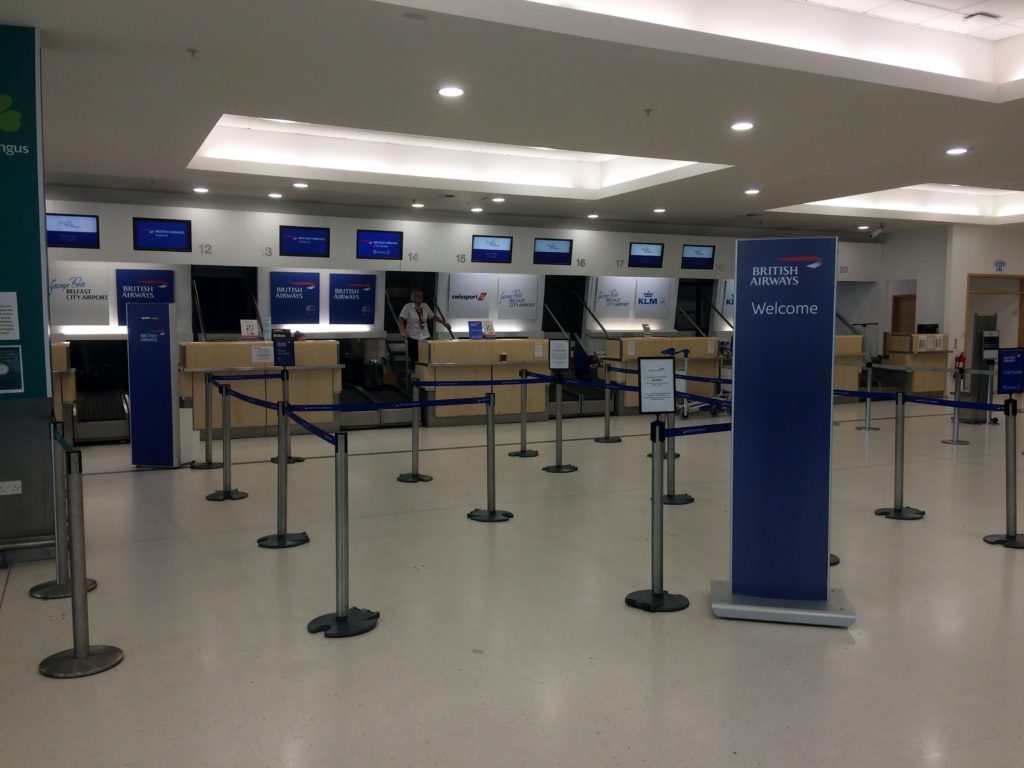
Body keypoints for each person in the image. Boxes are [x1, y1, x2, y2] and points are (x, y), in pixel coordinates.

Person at [398, 290, 450, 366]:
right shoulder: (408, 306)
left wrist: (444, 323)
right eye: (418, 296)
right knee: (415, 359)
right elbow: (401, 319)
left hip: (425, 336)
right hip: (413, 337)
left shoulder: (425, 306)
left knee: (426, 358)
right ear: (413, 297)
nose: (420, 297)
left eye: (421, 296)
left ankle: (425, 376)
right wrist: (402, 331)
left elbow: (433, 316)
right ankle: (415, 375)